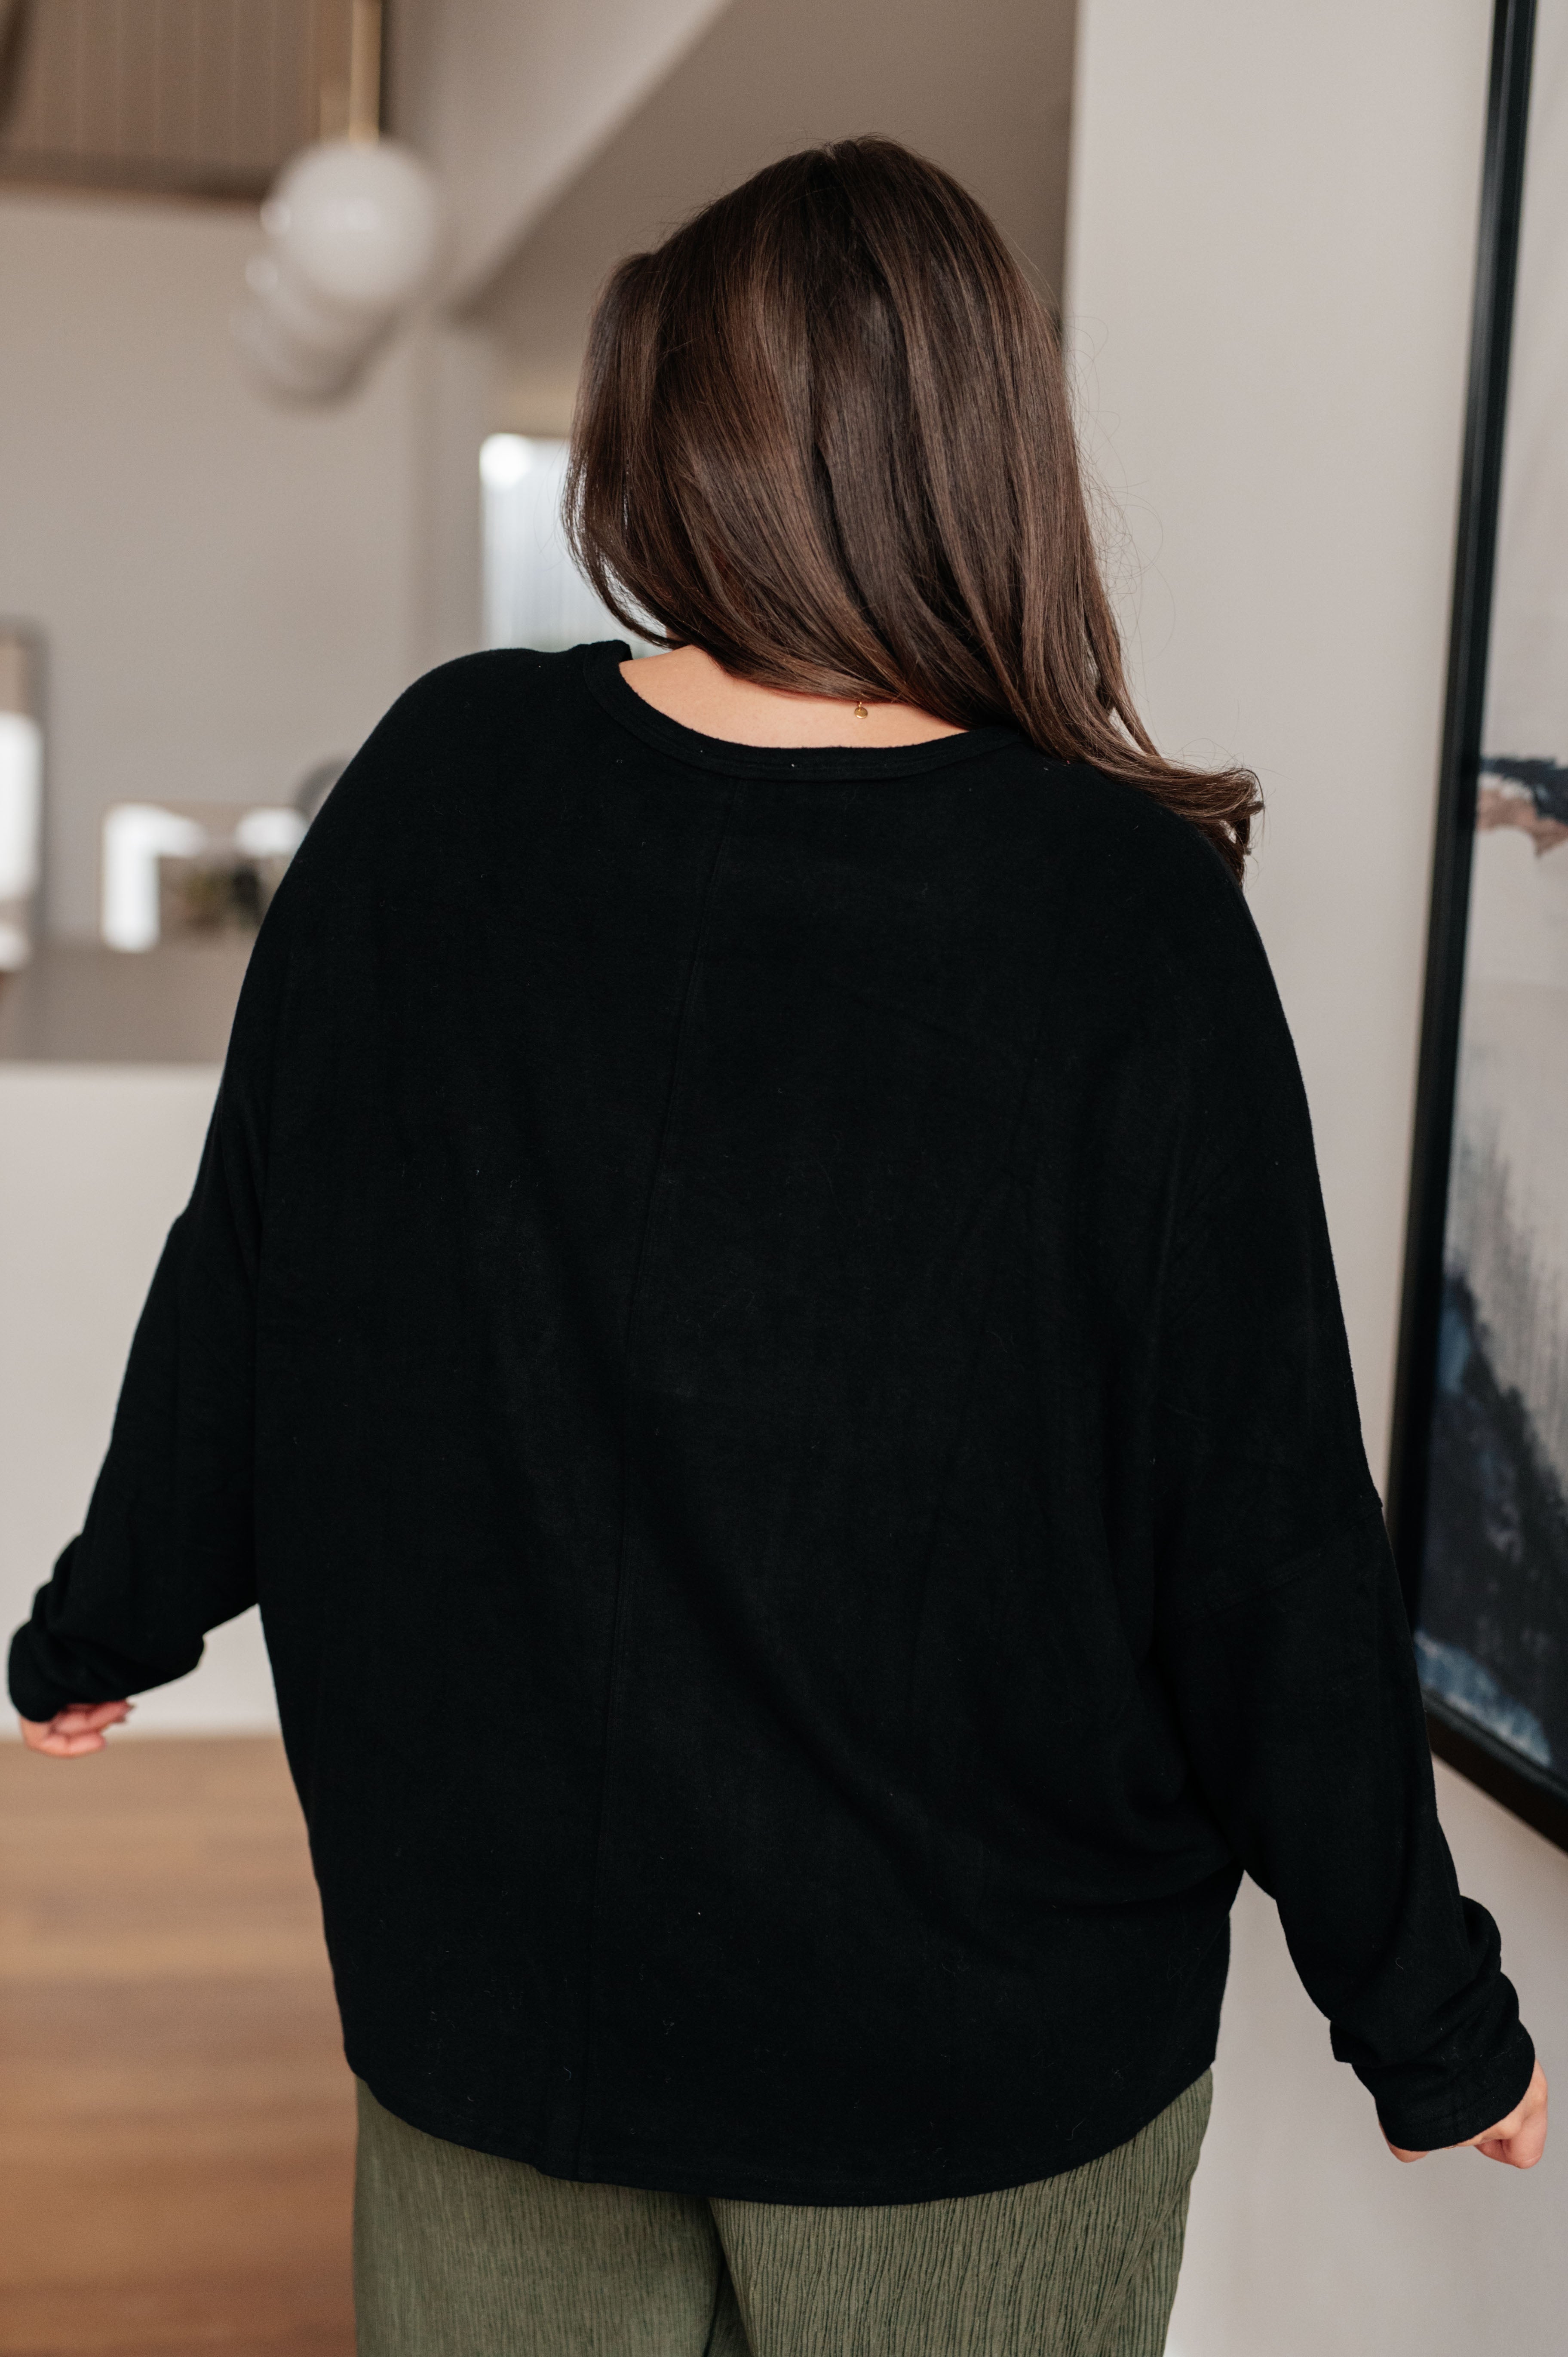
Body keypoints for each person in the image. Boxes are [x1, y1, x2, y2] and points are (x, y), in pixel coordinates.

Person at [10, 138, 1546, 2356]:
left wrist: (110, 1612)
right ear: (988, 454)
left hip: (496, 1990)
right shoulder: (1115, 920)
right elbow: (1260, 1540)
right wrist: (1429, 2017)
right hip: (972, 2047)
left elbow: (255, 1260)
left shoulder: (444, 782)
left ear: (671, 442)